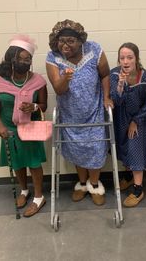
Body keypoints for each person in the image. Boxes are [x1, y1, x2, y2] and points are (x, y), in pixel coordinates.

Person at [46, 19, 113, 205]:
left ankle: (95, 184)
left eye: (70, 41)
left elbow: (105, 74)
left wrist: (107, 97)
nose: (65, 45)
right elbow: (59, 89)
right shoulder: (53, 57)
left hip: (94, 110)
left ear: (80, 41)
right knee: (76, 149)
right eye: (61, 41)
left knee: (95, 148)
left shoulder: (94, 50)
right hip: (69, 113)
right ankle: (82, 184)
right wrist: (66, 78)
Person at [0, 34, 47, 217]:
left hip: (30, 127)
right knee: (17, 162)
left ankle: (38, 197)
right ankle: (24, 190)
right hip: (8, 127)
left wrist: (34, 106)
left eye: (28, 59)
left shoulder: (37, 81)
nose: (26, 62)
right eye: (22, 59)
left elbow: (43, 105)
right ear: (11, 58)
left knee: (34, 163)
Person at [110, 42, 146, 207]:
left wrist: (136, 121)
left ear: (136, 58)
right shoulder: (114, 74)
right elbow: (115, 99)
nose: (125, 61)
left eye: (129, 57)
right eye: (122, 58)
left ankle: (138, 189)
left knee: (135, 150)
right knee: (124, 149)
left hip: (139, 120)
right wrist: (121, 83)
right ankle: (129, 178)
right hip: (120, 117)